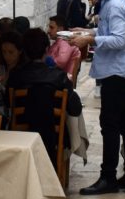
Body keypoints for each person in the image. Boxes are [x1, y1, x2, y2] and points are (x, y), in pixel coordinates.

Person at [70, 0, 125, 194]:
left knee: (110, 125)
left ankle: (108, 177)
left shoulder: (116, 4)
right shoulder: (112, 2)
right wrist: (87, 31)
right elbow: (110, 31)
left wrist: (90, 40)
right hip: (118, 71)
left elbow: (119, 40)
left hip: (117, 72)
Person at [7, 28, 82, 164]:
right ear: (47, 49)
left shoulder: (15, 76)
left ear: (23, 51)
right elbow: (75, 109)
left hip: (22, 131)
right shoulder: (58, 76)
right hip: (53, 133)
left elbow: (7, 104)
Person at [47, 15, 82, 81]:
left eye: (51, 28)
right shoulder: (58, 42)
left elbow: (60, 62)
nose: (48, 31)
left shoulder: (66, 41)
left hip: (62, 82)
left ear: (60, 29)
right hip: (57, 78)